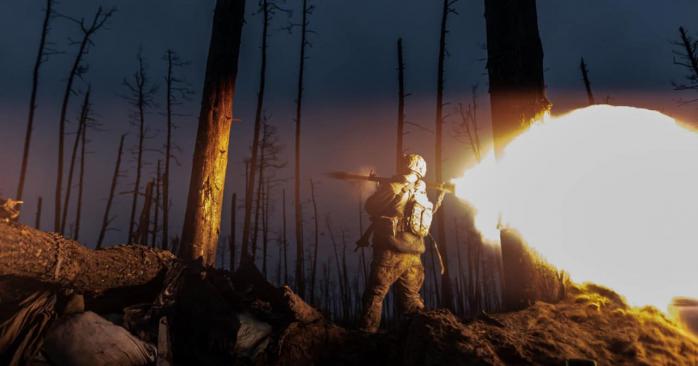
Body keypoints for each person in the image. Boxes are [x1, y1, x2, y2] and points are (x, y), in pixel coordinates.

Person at [358, 153, 439, 333]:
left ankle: (366, 338)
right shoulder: (422, 191)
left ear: (406, 165)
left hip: (391, 252)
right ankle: (423, 336)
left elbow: (371, 206)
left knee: (374, 295)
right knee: (410, 300)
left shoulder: (395, 186)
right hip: (414, 255)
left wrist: (380, 189)